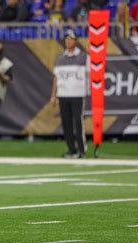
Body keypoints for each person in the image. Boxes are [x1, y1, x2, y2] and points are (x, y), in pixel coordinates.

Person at [51, 30, 88, 158]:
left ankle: (82, 150)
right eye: (67, 38)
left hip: (78, 94)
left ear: (76, 41)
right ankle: (71, 149)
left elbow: (90, 75)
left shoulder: (83, 57)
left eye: (71, 38)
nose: (68, 41)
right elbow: (56, 78)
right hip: (63, 94)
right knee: (66, 123)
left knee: (78, 122)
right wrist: (53, 95)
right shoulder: (60, 58)